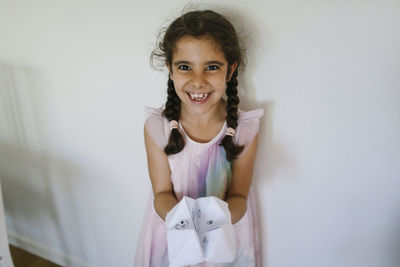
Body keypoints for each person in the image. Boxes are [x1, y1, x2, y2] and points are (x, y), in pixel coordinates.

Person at [135, 9, 264, 267]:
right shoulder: (157, 127)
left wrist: (212, 227)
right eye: (185, 67)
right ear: (170, 70)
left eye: (212, 67)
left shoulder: (244, 130)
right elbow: (161, 192)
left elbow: (239, 195)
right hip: (172, 238)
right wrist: (188, 230)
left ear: (230, 70)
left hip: (226, 240)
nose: (198, 81)